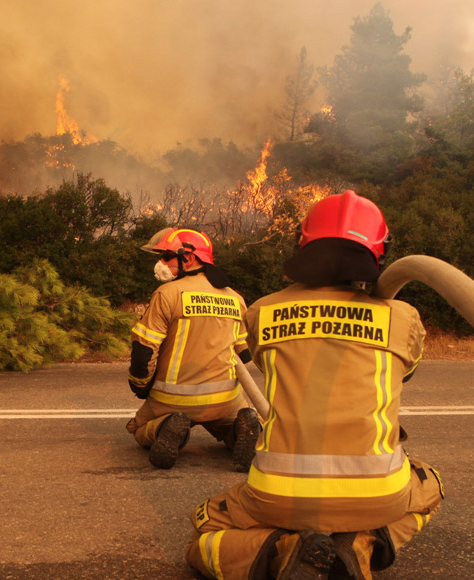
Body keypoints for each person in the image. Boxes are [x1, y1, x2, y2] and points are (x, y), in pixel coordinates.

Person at [183, 191, 443, 580]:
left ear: (302, 245)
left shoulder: (261, 311)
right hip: (378, 494)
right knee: (432, 486)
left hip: (275, 494)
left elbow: (265, 358)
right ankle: (363, 545)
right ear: (380, 253)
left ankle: (276, 549)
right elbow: (404, 373)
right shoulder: (403, 317)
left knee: (203, 530)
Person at [126, 227, 260, 471]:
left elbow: (144, 350)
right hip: (224, 399)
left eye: (166, 256)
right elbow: (245, 353)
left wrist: (139, 384)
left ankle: (167, 425)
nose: (161, 263)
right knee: (234, 420)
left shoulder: (167, 294)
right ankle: (241, 430)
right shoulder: (235, 297)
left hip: (172, 399)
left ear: (188, 257)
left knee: (138, 428)